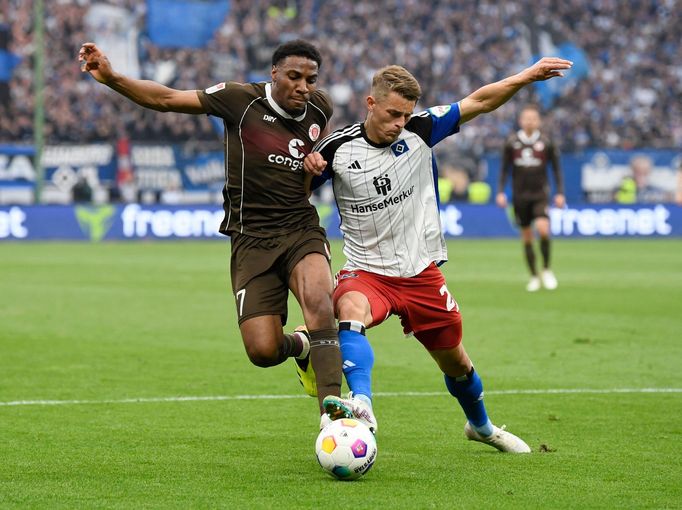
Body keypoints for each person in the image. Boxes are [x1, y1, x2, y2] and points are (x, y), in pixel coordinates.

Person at [305, 57, 572, 452]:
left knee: (458, 364)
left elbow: (479, 101)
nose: (400, 122)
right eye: (393, 113)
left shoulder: (421, 129)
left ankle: (480, 427)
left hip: (420, 274)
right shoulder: (338, 148)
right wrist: (308, 167)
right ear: (370, 103)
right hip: (367, 271)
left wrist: (527, 76)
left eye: (406, 114)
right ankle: (361, 403)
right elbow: (295, 190)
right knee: (350, 309)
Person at [78, 39, 343, 428]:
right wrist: (113, 78)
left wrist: (311, 167)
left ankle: (334, 416)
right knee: (263, 350)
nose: (303, 86)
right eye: (294, 77)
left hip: (299, 228)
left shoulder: (321, 108)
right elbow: (166, 99)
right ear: (274, 74)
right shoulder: (239, 99)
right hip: (250, 239)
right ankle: (301, 346)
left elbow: (303, 179)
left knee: (321, 302)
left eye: (310, 79)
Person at [496, 105, 565, 292]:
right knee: (527, 237)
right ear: (521, 120)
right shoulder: (511, 143)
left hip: (540, 194)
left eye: (533, 118)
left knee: (543, 229)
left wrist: (560, 193)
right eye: (527, 118)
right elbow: (504, 169)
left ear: (539, 121)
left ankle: (547, 269)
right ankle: (534, 276)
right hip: (520, 197)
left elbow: (557, 169)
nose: (530, 122)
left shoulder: (546, 142)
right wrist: (501, 191)